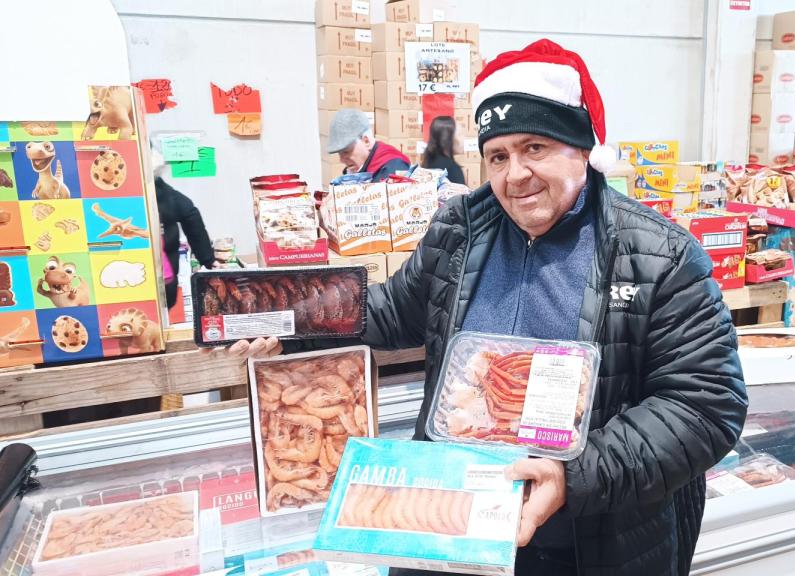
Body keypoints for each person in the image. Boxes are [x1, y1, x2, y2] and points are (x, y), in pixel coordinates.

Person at [233, 39, 747, 575]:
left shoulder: (658, 255)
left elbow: (705, 405)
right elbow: (390, 312)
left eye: (536, 148)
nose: (515, 175)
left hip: (590, 543)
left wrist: (574, 475)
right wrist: (283, 319)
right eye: (498, 156)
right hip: (453, 524)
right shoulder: (462, 229)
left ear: (583, 150)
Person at [151, 149, 215, 308]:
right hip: (164, 285)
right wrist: (208, 259)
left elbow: (190, 214)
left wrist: (207, 258)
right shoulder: (163, 193)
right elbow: (190, 214)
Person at [327, 108, 410, 182]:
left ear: (366, 141)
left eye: (346, 152)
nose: (341, 160)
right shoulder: (355, 171)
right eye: (339, 153)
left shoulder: (394, 168)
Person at [420, 115, 466, 185]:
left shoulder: (427, 164)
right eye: (460, 134)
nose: (464, 139)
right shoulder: (452, 170)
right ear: (446, 138)